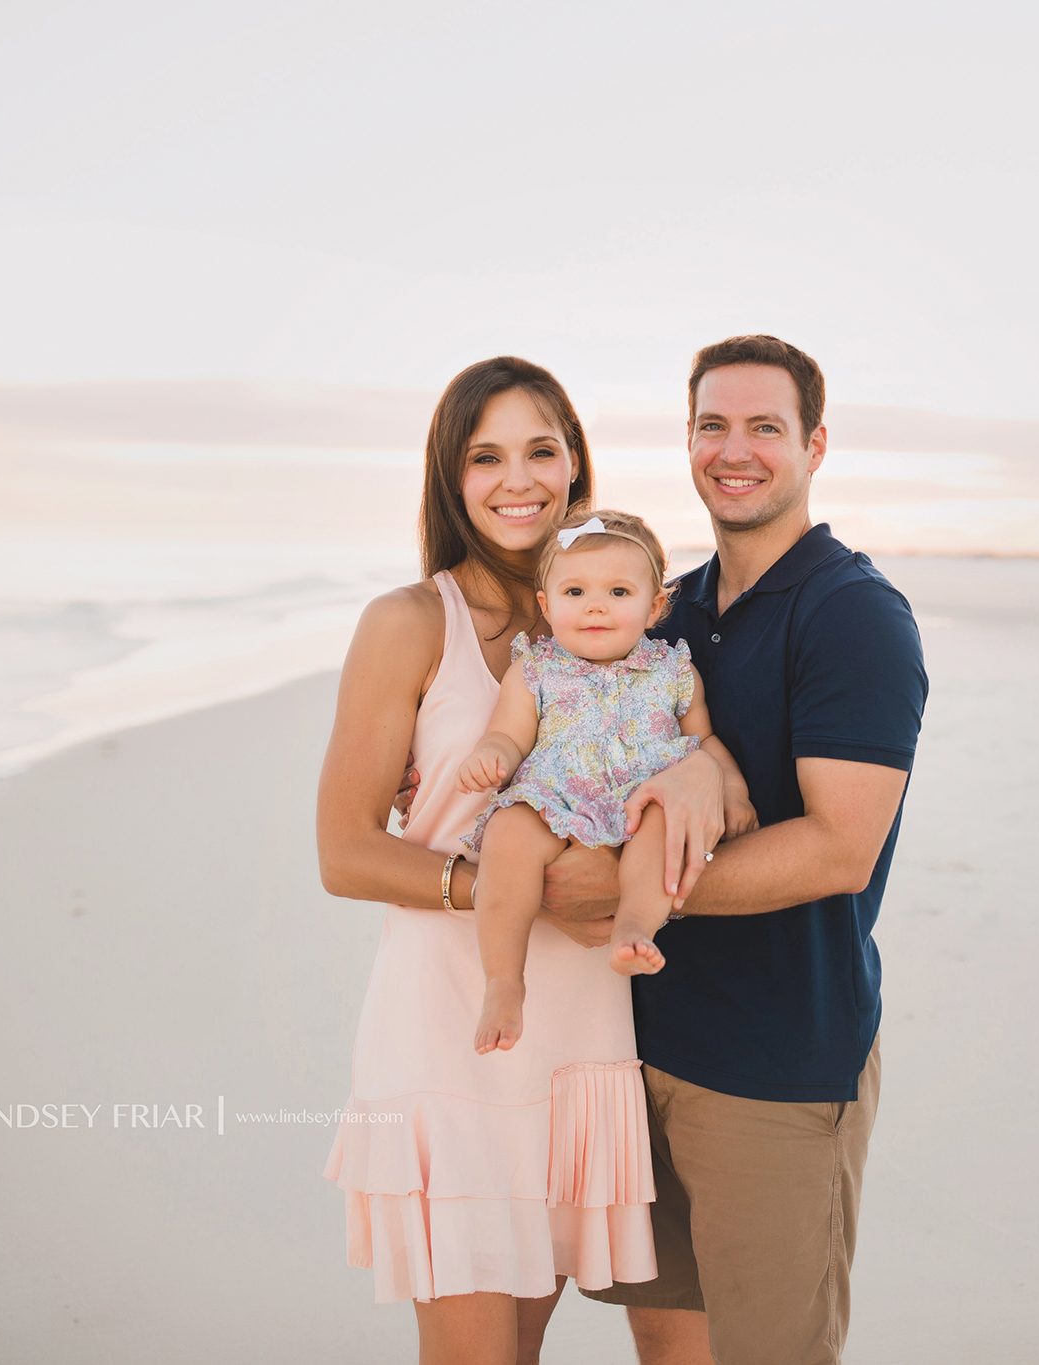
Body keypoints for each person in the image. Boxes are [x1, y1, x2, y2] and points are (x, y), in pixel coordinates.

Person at [315, 357, 732, 1365]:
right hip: (454, 1030)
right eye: (484, 455)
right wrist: (523, 891)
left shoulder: (621, 624)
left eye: (541, 449)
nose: (518, 478)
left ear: (575, 465)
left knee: (524, 1343)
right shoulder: (412, 623)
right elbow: (343, 851)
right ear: (449, 479)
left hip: (583, 1033)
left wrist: (702, 784)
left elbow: (698, 752)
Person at [563, 336, 929, 1365]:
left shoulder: (851, 615)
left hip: (776, 1070)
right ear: (686, 440)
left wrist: (626, 893)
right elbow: (579, 744)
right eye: (712, 425)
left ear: (813, 445)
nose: (736, 450)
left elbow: (837, 850)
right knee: (668, 1346)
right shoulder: (668, 612)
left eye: (765, 427)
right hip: (643, 1049)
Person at [455, 508, 755, 1054]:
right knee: (508, 837)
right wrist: (492, 754)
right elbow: (510, 733)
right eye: (574, 592)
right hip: (559, 799)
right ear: (546, 604)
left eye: (618, 592)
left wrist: (732, 789)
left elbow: (706, 743)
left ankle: (634, 927)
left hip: (645, 796)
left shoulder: (672, 670)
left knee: (662, 828)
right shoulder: (535, 668)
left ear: (655, 605)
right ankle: (503, 980)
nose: (595, 606)